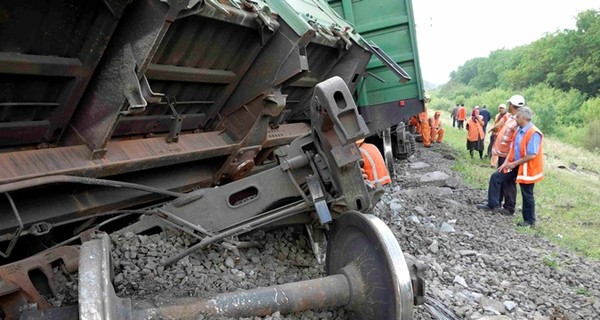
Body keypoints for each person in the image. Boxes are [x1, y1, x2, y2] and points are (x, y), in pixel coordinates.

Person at [477, 107, 543, 227]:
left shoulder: (534, 132)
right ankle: (493, 205)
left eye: (517, 116)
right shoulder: (519, 130)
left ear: (523, 117)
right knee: (496, 177)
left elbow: (532, 155)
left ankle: (529, 221)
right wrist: (505, 163)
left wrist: (513, 164)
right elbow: (513, 148)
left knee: (527, 193)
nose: (515, 118)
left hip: (526, 168)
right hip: (514, 163)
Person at [488, 94, 525, 214]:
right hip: (503, 154)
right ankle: (497, 203)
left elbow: (517, 141)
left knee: (505, 180)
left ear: (512, 105)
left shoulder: (518, 121)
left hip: (509, 156)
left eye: (509, 104)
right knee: (503, 181)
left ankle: (507, 207)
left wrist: (511, 160)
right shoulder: (510, 117)